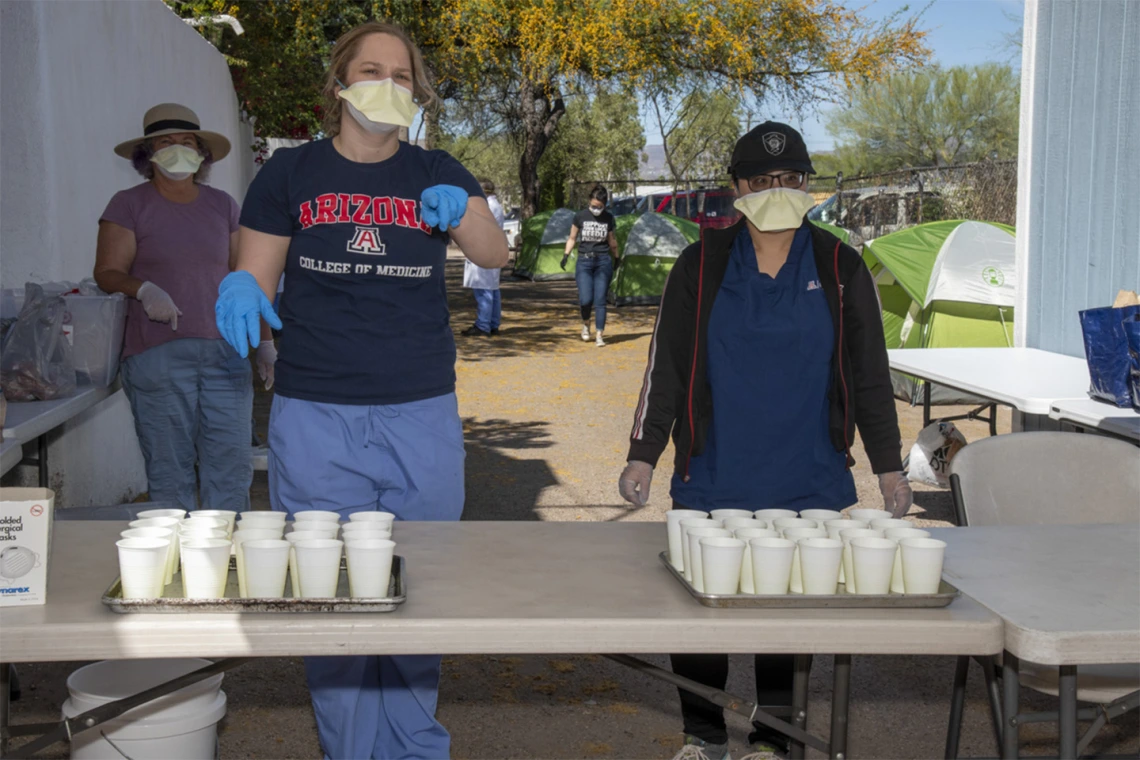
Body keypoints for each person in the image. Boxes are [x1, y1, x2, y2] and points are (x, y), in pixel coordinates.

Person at [214, 21, 508, 760]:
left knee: (418, 589)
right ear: (339, 82)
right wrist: (242, 287)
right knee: (331, 598)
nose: (387, 83)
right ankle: (349, 751)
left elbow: (494, 252)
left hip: (420, 409)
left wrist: (464, 207)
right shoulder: (288, 175)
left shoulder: (435, 168)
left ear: (417, 91)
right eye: (371, 68)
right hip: (315, 411)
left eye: (402, 74)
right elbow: (256, 271)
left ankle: (415, 748)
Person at [618, 122, 913, 760]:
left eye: (790, 179)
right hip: (712, 473)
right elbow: (664, 367)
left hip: (808, 477)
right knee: (699, 621)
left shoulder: (839, 264)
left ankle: (773, 743)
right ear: (736, 189)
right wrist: (643, 453)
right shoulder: (702, 263)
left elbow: (869, 376)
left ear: (808, 186)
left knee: (786, 621)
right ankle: (701, 738)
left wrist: (889, 470)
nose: (776, 190)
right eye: (760, 181)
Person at [94, 103, 273, 513]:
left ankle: (225, 557)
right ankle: (173, 564)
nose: (179, 149)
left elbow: (245, 277)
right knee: (170, 468)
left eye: (188, 142)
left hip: (226, 354)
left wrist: (264, 342)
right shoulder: (128, 204)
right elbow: (107, 271)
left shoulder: (222, 205)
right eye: (166, 142)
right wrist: (143, 290)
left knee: (230, 465)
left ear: (202, 153)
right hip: (157, 355)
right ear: (147, 155)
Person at [562, 184, 619, 346]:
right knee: (586, 299)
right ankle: (586, 324)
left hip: (603, 261)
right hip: (584, 261)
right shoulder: (580, 216)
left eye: (600, 207)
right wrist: (566, 255)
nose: (596, 209)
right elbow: (572, 237)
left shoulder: (608, 218)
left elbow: (612, 240)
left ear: (605, 204)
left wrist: (617, 257)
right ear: (589, 201)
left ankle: (599, 334)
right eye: (594, 206)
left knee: (600, 299)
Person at [460, 178, 505, 337]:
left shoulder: (487, 207)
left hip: (483, 251)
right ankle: (493, 323)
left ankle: (483, 325)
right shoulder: (496, 206)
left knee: (484, 290)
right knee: (492, 289)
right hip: (491, 250)